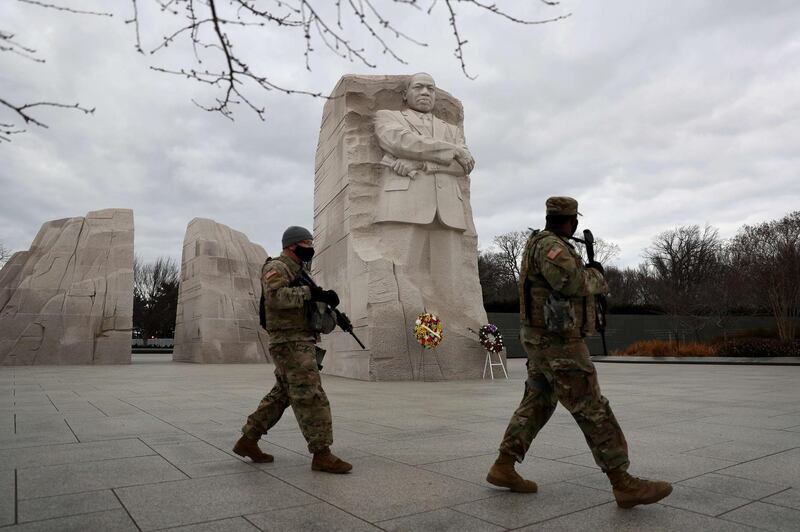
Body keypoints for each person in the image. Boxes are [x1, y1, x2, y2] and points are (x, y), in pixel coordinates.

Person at [486, 197, 672, 509]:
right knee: (591, 405)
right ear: (571, 221)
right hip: (557, 343)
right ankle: (622, 482)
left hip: (543, 339)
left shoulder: (543, 243)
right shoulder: (550, 247)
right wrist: (597, 275)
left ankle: (504, 466)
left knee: (539, 400)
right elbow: (571, 281)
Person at [233, 226, 352, 474]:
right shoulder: (277, 267)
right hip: (288, 341)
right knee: (310, 394)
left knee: (282, 395)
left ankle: (248, 440)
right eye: (305, 244)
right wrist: (312, 293)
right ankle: (321, 453)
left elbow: (309, 301)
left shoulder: (300, 271)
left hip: (300, 339)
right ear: (291, 245)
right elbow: (276, 297)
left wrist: (333, 312)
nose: (310, 248)